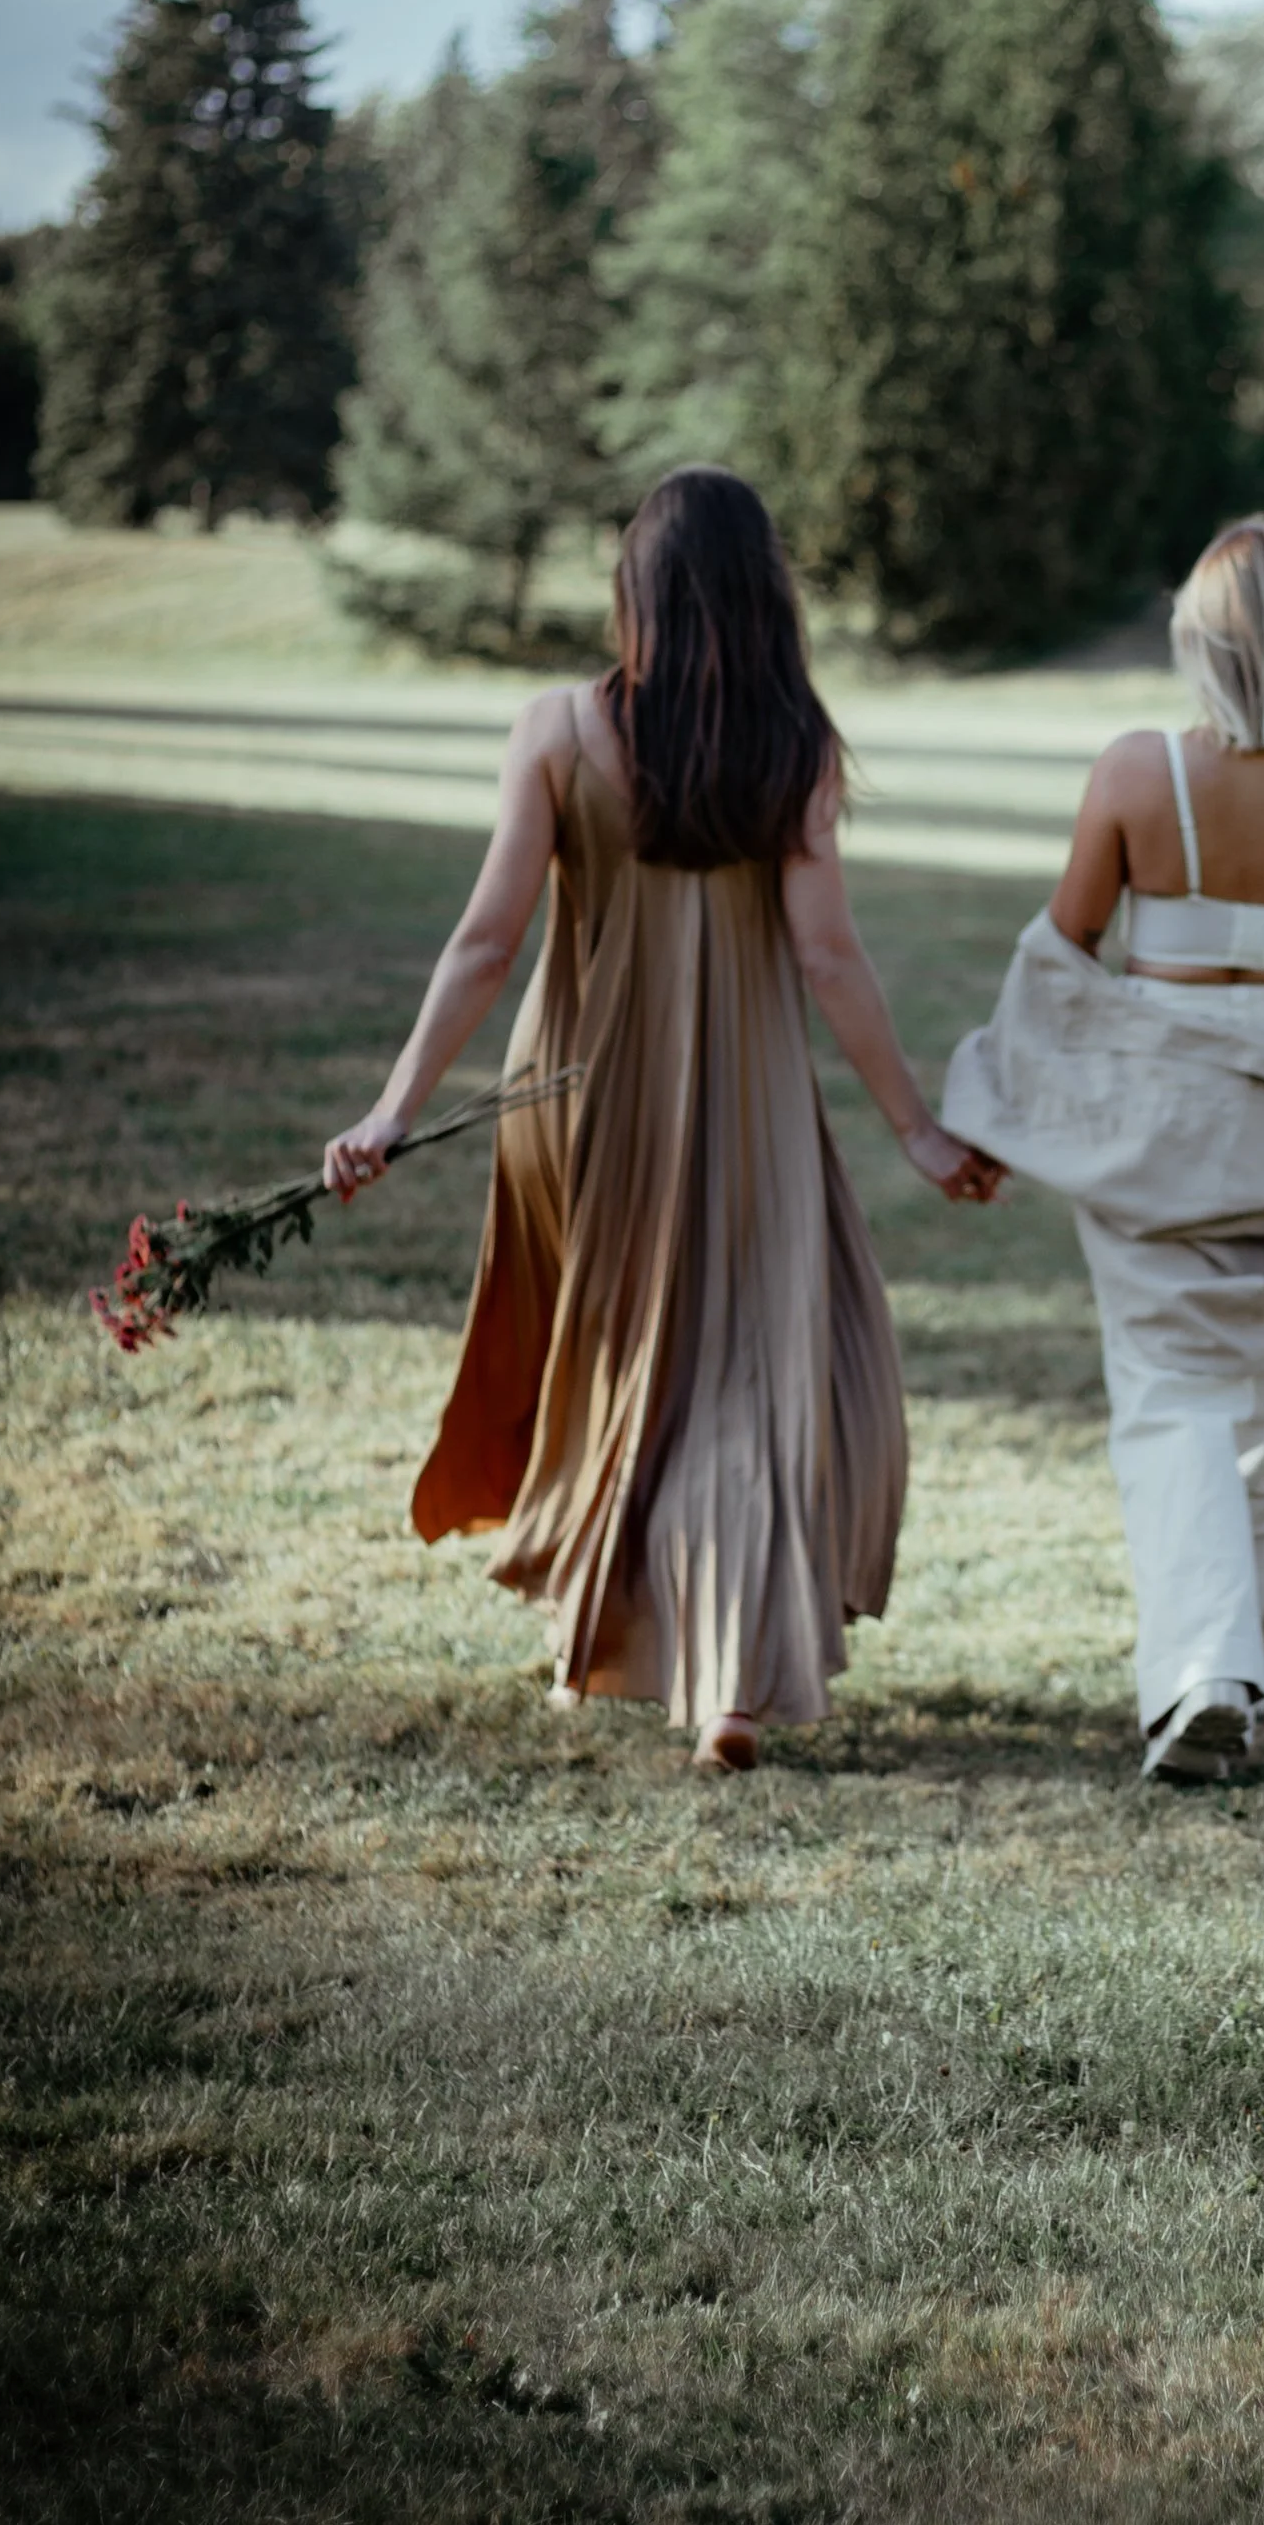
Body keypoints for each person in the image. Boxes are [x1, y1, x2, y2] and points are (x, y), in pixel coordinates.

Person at [322, 466, 999, 1773]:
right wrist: (913, 1128)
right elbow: (830, 956)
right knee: (750, 1373)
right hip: (749, 1105)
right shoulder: (794, 744)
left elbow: (485, 942)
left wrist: (395, 1108)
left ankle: (608, 1638)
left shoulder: (557, 729)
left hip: (574, 1098)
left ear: (636, 588)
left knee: (614, 1360)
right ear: (763, 596)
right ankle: (728, 1674)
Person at [944, 516, 1264, 1782]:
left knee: (1169, 1392)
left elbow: (1061, 953)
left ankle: (1205, 1678)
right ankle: (1244, 1677)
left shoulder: (1137, 773)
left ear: (1201, 642)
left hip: (1156, 1121)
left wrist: (999, 1102)